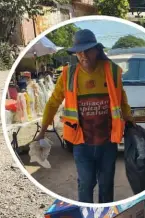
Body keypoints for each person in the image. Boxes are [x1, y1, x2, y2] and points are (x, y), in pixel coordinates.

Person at [34, 29, 135, 204]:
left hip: (108, 142)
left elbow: (122, 101)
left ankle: (105, 216)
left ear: (97, 50)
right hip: (81, 143)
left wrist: (132, 123)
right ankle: (86, 214)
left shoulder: (112, 71)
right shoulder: (68, 75)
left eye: (87, 50)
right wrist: (42, 132)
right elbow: (52, 103)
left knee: (106, 185)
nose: (83, 55)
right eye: (79, 51)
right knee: (86, 184)